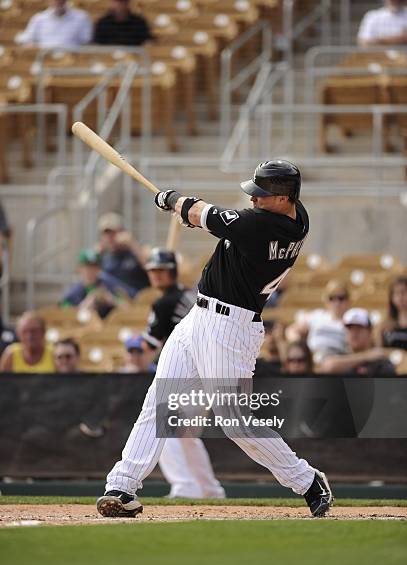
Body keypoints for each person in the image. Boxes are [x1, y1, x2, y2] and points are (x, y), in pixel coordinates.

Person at [97, 160, 333, 519]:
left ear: (285, 198)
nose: (254, 201)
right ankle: (122, 484)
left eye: (263, 196)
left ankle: (307, 481)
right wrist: (188, 213)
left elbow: (208, 215)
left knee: (235, 420)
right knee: (161, 403)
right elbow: (213, 221)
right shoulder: (297, 216)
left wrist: (171, 199)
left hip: (230, 328)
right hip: (199, 317)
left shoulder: (265, 225)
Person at [142, 247, 225, 499]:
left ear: (172, 272)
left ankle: (184, 485)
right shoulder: (191, 295)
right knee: (186, 435)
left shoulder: (163, 303)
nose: (156, 276)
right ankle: (210, 489)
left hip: (186, 370)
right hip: (208, 368)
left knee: (165, 429)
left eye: (161, 271)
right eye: (153, 271)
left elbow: (149, 345)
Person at [286, 279, 349, 363]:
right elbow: (292, 330)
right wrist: (302, 348)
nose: (336, 302)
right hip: (313, 358)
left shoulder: (351, 320)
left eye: (341, 298)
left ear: (348, 300)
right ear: (326, 300)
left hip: (338, 359)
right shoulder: (317, 316)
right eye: (331, 298)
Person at [321, 308, 396, 376]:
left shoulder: (380, 362)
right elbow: (328, 367)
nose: (354, 333)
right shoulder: (339, 354)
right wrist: (366, 356)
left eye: (359, 328)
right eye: (350, 329)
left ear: (370, 332)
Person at [61, 248, 127, 319]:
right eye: (87, 267)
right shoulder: (73, 293)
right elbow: (62, 315)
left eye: (94, 267)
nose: (91, 271)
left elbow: (128, 308)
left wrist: (111, 300)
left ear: (99, 268)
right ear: (79, 268)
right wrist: (85, 306)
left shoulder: (110, 286)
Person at [98, 212, 149, 298]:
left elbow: (150, 267)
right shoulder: (105, 257)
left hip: (137, 300)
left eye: (113, 233)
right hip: (115, 303)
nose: (110, 238)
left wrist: (132, 244)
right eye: (106, 234)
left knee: (103, 277)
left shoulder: (136, 251)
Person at [19, 0, 93, 49]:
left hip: (72, 61)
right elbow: (26, 40)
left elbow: (87, 42)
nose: (58, 2)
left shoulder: (81, 17)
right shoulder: (39, 18)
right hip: (44, 60)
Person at [381, 276, 407, 351]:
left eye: (403, 292)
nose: (400, 297)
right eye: (396, 293)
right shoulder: (385, 326)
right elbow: (380, 351)